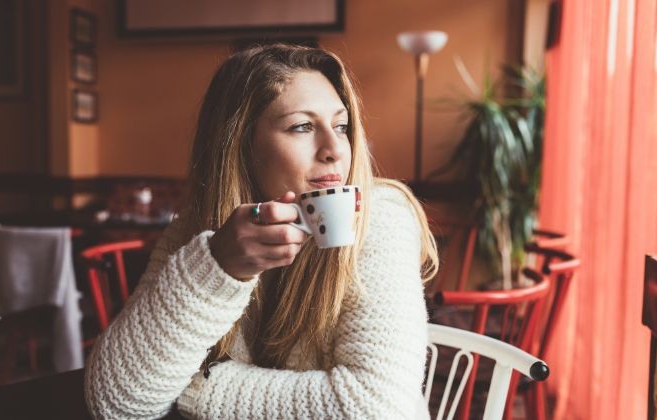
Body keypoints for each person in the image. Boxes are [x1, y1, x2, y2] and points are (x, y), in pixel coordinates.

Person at [84, 43, 438, 420]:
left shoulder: (379, 216)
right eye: (302, 126)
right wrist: (218, 267)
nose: (335, 148)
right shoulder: (200, 227)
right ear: (241, 144)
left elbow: (377, 407)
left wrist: (198, 386)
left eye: (341, 126)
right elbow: (116, 403)